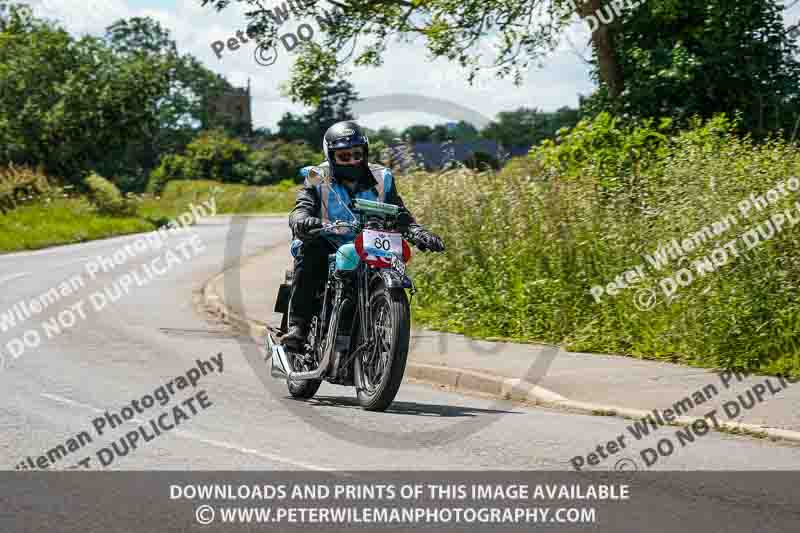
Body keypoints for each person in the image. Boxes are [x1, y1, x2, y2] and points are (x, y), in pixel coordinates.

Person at [282, 120, 445, 349]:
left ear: (365, 153)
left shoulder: (382, 178)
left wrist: (417, 231)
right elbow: (302, 206)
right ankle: (298, 327)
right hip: (326, 239)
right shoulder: (318, 177)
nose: (352, 161)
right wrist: (302, 220)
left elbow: (399, 213)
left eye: (357, 154)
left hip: (368, 244)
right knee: (311, 253)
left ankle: (371, 322)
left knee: (386, 268)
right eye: (344, 156)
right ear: (331, 157)